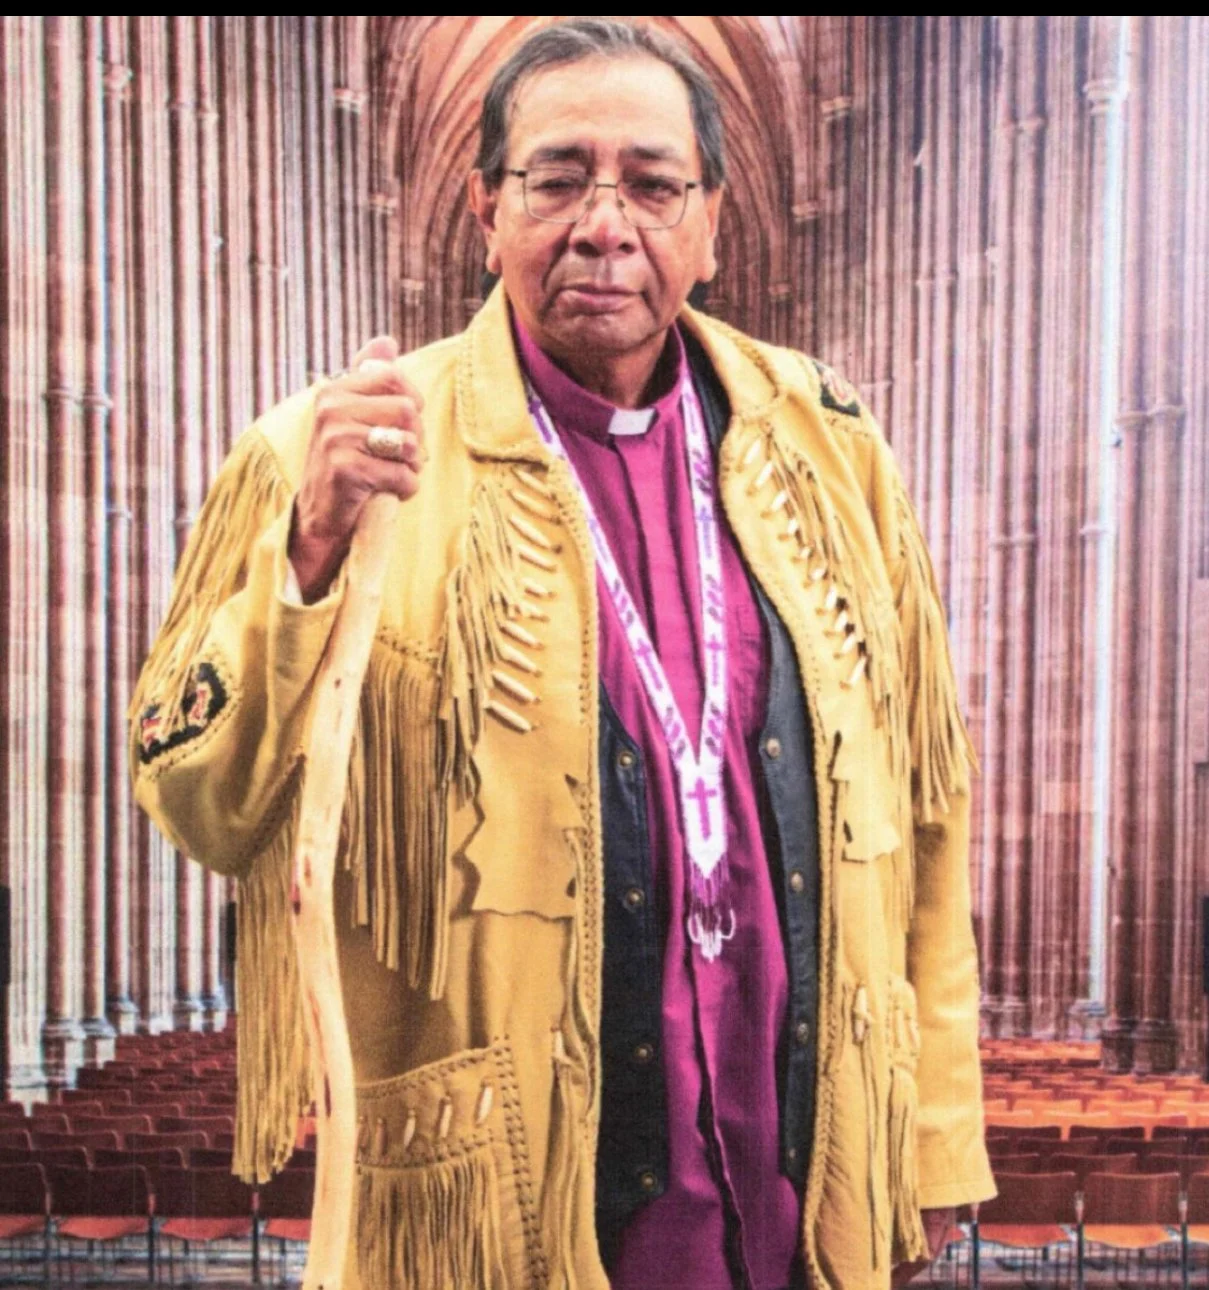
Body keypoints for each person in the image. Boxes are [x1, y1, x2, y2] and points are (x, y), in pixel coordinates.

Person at [131, 17, 994, 1290]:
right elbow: (199, 799)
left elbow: (926, 817)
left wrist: (928, 1149)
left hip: (805, 1196)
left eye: (652, 185)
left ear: (709, 220)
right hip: (505, 1215)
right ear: (487, 208)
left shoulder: (831, 450)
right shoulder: (333, 455)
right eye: (556, 179)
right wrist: (309, 554)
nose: (605, 224)